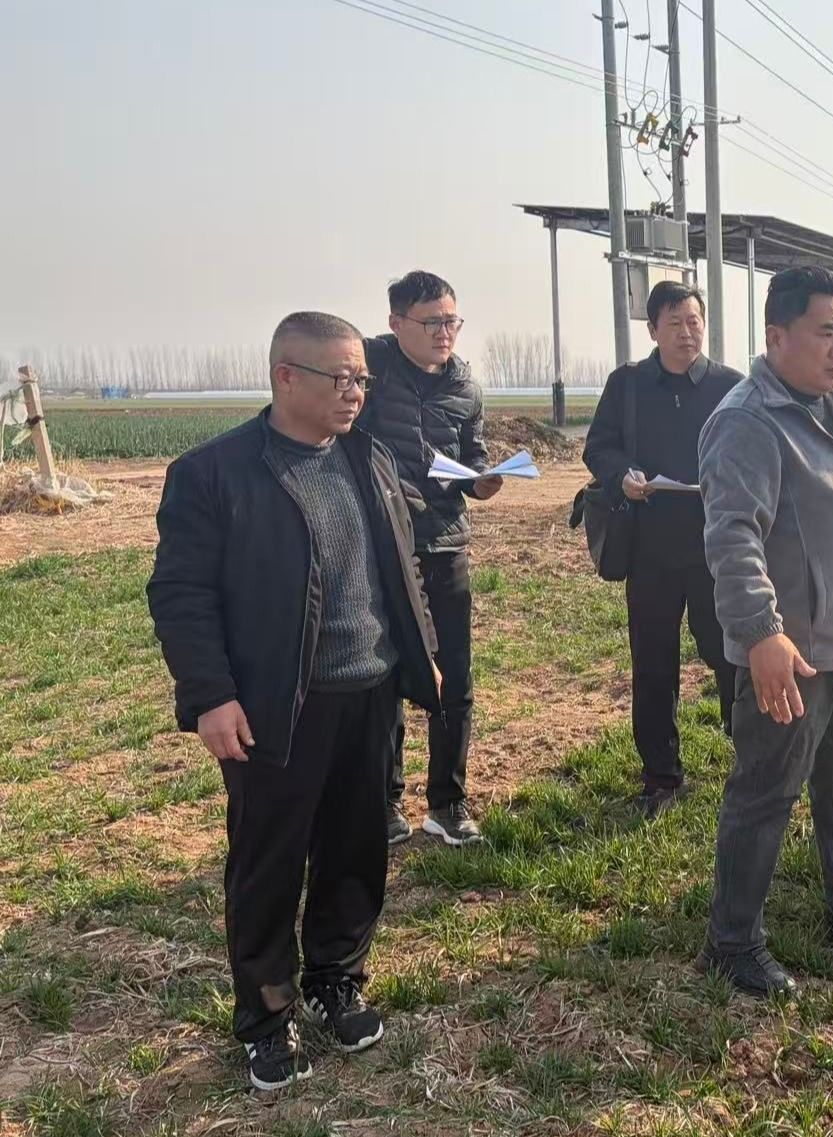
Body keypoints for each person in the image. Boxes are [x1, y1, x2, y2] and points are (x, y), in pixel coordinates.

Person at [147, 312, 442, 1091]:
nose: (355, 392)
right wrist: (211, 695)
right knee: (269, 861)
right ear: (286, 376)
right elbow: (180, 594)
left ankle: (336, 978)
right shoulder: (215, 474)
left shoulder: (367, 456)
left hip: (369, 690)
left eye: (361, 378)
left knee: (356, 848)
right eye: (340, 378)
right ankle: (266, 1015)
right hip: (278, 703)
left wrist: (422, 652)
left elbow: (400, 563)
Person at [696, 266, 833, 997]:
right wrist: (760, 632)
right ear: (777, 335)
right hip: (791, 655)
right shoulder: (748, 421)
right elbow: (732, 536)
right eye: (826, 331)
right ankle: (733, 941)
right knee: (766, 792)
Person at [584, 281, 743, 817]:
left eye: (694, 321)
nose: (687, 332)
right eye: (674, 322)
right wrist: (620, 475)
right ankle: (661, 775)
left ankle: (750, 757)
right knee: (653, 664)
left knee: (730, 654)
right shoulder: (627, 385)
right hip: (650, 548)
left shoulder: (730, 386)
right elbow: (598, 446)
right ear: (652, 329)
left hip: (716, 547)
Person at [357, 270, 496, 847]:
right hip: (384, 548)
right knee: (385, 674)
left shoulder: (466, 386)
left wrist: (483, 478)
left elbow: (473, 454)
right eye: (432, 322)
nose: (445, 333)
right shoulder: (369, 368)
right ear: (396, 323)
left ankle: (447, 802)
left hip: (445, 541)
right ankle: (384, 801)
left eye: (452, 321)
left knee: (454, 676)